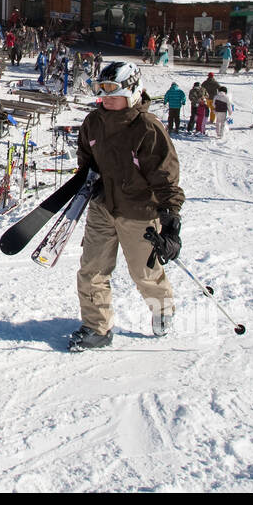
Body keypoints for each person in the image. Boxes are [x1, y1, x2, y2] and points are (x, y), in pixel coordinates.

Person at [70, 61, 184, 350]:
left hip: (139, 212)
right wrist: (88, 180)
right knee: (92, 269)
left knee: (143, 273)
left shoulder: (147, 128)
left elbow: (166, 177)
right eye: (102, 90)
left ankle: (162, 308)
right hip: (103, 206)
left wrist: (170, 221)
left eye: (113, 91)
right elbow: (86, 158)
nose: (105, 97)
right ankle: (97, 327)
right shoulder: (93, 121)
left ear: (132, 91)